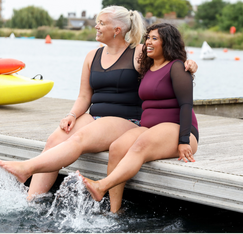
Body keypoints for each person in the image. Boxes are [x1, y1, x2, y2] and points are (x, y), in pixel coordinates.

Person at [0, 6, 198, 200]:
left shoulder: (139, 52)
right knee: (54, 139)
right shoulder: (92, 56)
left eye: (101, 23)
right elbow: (84, 96)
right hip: (94, 116)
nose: (96, 27)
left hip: (126, 120)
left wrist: (189, 63)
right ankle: (32, 198)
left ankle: (26, 168)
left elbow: (168, 57)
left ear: (117, 30)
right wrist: (72, 116)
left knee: (79, 139)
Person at [79, 23, 199, 213]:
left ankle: (101, 186)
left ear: (167, 42)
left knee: (139, 146)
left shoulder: (177, 67)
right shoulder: (147, 67)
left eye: (154, 38)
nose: (148, 43)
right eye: (147, 38)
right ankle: (114, 211)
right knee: (117, 147)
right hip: (149, 129)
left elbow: (186, 105)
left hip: (179, 130)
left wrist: (184, 140)